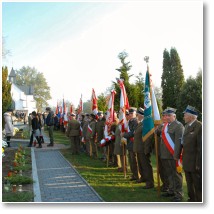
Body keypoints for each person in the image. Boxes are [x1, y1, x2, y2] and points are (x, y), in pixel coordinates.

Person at [160, 107, 184, 202]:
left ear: (174, 116)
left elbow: (179, 142)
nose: (167, 117)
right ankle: (171, 190)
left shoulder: (179, 126)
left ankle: (179, 194)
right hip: (165, 155)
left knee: (176, 175)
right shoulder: (165, 125)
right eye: (166, 115)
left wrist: (177, 155)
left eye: (169, 115)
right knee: (169, 174)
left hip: (173, 155)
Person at [182, 105, 202, 202]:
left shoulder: (200, 127)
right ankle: (191, 199)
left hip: (195, 163)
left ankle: (199, 202)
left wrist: (198, 163)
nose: (184, 117)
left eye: (185, 115)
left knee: (197, 185)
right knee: (189, 183)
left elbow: (201, 148)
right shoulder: (186, 126)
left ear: (191, 116)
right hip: (187, 161)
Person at [122, 108, 139, 181]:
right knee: (131, 160)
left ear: (135, 114)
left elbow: (133, 133)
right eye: (130, 114)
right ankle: (134, 174)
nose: (130, 115)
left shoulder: (135, 122)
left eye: (132, 113)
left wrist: (124, 134)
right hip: (130, 143)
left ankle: (137, 175)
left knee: (134, 160)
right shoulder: (130, 121)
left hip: (134, 143)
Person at [155, 110, 169, 192]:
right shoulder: (160, 126)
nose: (163, 118)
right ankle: (164, 184)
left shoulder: (170, 126)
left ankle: (168, 186)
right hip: (159, 151)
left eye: (165, 116)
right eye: (162, 116)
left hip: (167, 152)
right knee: (161, 169)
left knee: (167, 170)